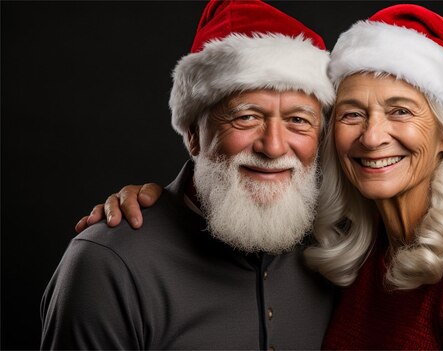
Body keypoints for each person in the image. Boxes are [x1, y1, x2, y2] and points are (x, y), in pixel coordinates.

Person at [79, 4, 443, 349]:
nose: (373, 136)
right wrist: (155, 204)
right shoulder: (347, 247)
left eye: (400, 111)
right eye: (353, 114)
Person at [40, 0, 336, 349]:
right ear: (193, 134)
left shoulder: (339, 251)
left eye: (298, 121)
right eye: (246, 117)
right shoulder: (108, 265)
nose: (273, 147)